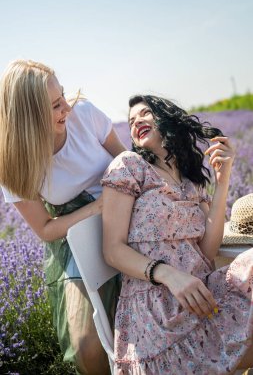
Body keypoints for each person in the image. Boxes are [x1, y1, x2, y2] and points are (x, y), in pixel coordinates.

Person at [101, 94, 253, 374]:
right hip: (156, 310)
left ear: (166, 118)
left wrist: (223, 180)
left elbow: (207, 251)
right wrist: (169, 274)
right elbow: (112, 249)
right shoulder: (129, 166)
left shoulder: (189, 178)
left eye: (145, 114)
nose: (136, 122)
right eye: (132, 120)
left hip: (202, 294)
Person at [0, 59, 126, 375]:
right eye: (56, 105)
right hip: (77, 234)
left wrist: (114, 203)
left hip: (127, 214)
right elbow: (44, 228)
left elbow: (127, 161)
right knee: (86, 345)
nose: (66, 108)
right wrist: (97, 208)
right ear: (28, 118)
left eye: (63, 97)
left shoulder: (84, 115)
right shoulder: (13, 164)